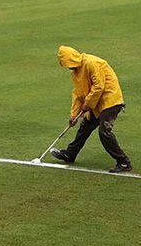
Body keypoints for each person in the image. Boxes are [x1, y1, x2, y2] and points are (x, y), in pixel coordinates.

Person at [48, 45, 132, 173]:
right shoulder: (75, 73)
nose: (68, 66)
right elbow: (78, 94)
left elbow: (99, 86)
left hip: (110, 100)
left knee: (104, 131)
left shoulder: (91, 63)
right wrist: (74, 115)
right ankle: (70, 154)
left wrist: (87, 104)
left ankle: (124, 162)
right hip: (96, 103)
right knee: (84, 128)